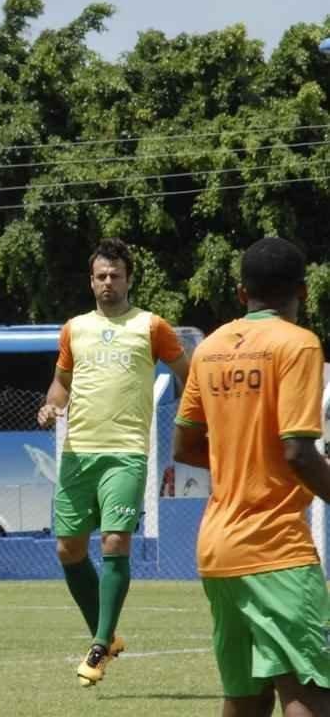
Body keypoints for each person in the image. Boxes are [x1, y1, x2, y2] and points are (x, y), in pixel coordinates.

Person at [174, 237, 330, 717]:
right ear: (302, 293)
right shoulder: (298, 345)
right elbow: (299, 454)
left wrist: (240, 460)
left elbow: (183, 447)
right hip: (275, 547)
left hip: (218, 550)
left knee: (246, 697)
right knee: (307, 694)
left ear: (242, 294)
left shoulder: (211, 348)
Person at [36, 237, 189, 686]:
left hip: (126, 452)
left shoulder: (151, 326)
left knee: (115, 542)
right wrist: (52, 407)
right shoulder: (74, 329)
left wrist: (195, 416)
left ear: (129, 278)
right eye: (101, 276)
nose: (108, 282)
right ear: (91, 280)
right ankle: (107, 634)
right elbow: (59, 385)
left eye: (115, 275)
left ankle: (99, 648)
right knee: (69, 549)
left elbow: (189, 373)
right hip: (78, 454)